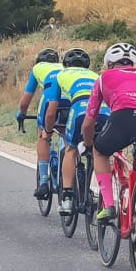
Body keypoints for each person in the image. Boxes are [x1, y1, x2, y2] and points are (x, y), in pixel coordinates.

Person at [84, 43, 136, 226]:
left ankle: (109, 206)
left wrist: (89, 143)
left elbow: (89, 121)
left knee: (100, 151)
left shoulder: (104, 77)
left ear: (109, 63)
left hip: (123, 118)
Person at [38, 49, 97, 199]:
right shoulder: (96, 76)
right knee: (95, 148)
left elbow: (49, 112)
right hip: (93, 111)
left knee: (51, 138)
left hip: (64, 107)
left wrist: (47, 131)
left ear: (64, 64)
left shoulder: (58, 75)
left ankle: (46, 183)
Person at [16, 47, 63, 198]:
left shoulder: (37, 68)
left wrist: (21, 114)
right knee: (67, 133)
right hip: (71, 101)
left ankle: (43, 182)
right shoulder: (64, 68)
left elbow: (26, 100)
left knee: (43, 135)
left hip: (50, 101)